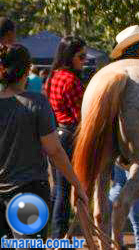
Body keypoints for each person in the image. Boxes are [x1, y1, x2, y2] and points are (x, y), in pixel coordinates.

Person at [1, 44, 89, 240]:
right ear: (27, 69)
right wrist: (77, 185)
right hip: (28, 194)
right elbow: (55, 151)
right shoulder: (36, 103)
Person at [107, 25, 139, 250]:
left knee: (119, 185)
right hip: (134, 145)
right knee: (132, 191)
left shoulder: (111, 72)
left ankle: (115, 234)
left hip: (114, 144)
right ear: (137, 47)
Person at [44, 35, 88, 238]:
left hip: (55, 133)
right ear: (70, 56)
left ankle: (48, 234)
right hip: (70, 134)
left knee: (57, 189)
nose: (85, 60)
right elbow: (82, 114)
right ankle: (58, 237)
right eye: (81, 56)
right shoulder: (72, 81)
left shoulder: (52, 76)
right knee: (64, 189)